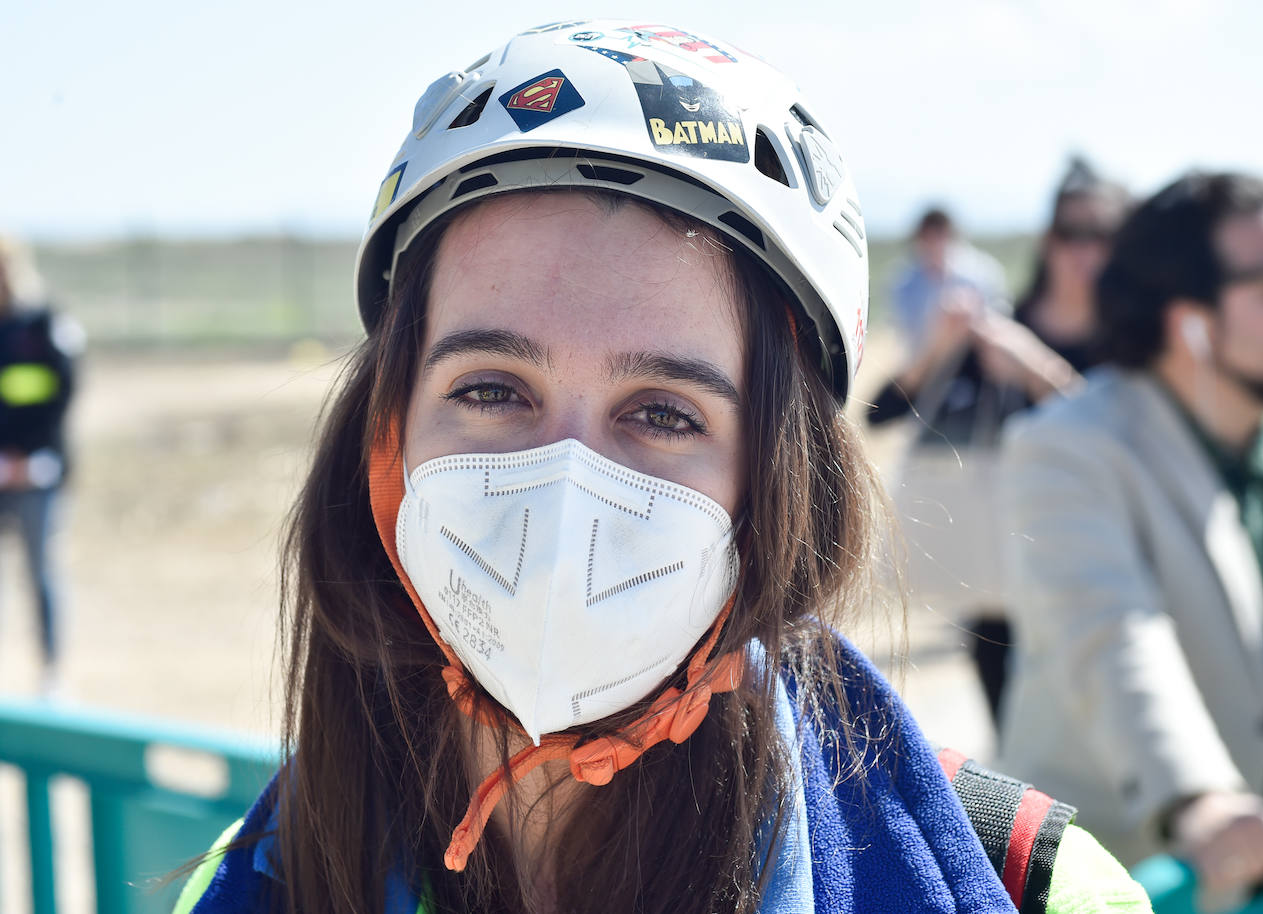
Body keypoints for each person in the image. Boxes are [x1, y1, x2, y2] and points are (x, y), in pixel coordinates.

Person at [174, 21, 1148, 914]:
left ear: (782, 486)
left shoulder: (1030, 883)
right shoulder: (262, 875)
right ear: (385, 437)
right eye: (492, 389)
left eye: (664, 412)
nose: (566, 490)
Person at [998, 171, 1263, 897]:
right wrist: (1196, 801)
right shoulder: (1066, 450)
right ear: (1189, 323)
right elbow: (1111, 636)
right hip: (1142, 880)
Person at [866, 159, 1128, 724]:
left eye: (1103, 235)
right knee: (1019, 735)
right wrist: (938, 347)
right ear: (1048, 242)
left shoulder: (1133, 345)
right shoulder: (1003, 326)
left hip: (1101, 561)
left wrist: (1036, 369)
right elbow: (882, 414)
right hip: (1006, 576)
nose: (1085, 251)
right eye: (1070, 234)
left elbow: (1128, 443)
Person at [0, 236, 82, 691]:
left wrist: (27, 458)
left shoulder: (44, 323)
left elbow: (62, 394)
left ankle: (51, 672)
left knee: (41, 572)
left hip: (37, 472)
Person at [888, 206, 1009, 348]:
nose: (935, 245)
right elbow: (907, 337)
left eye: (939, 236)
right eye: (928, 238)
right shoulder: (904, 284)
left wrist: (973, 315)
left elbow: (1002, 317)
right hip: (929, 359)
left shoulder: (981, 273)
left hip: (975, 353)